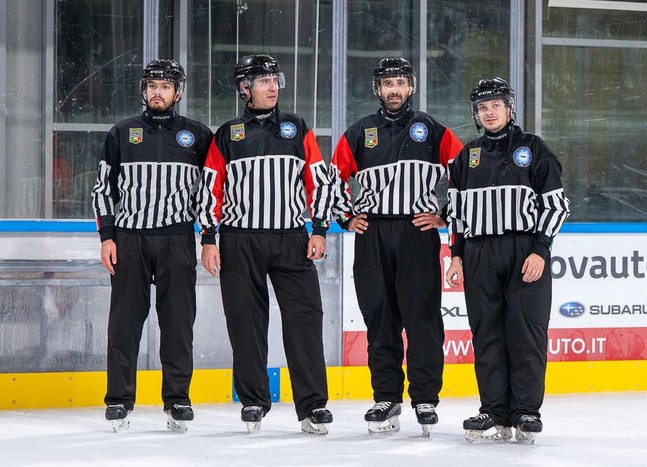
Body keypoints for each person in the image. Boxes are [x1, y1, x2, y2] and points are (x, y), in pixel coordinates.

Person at [198, 54, 334, 435]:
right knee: (245, 320)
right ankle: (254, 402)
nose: (272, 86)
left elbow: (320, 180)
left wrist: (320, 229)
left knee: (305, 319)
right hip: (239, 240)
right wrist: (209, 239)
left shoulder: (296, 127)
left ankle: (312, 406)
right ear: (245, 88)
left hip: (292, 238)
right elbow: (210, 187)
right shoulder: (227, 133)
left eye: (275, 79)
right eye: (262, 81)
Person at [329, 57, 464, 436]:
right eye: (387, 83)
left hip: (416, 233)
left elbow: (466, 173)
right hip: (371, 235)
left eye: (401, 83)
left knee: (422, 320)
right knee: (380, 320)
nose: (394, 90)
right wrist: (344, 218)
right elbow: (331, 178)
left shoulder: (433, 129)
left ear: (411, 87)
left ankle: (425, 397)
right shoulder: (359, 132)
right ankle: (386, 396)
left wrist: (443, 215)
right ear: (377, 89)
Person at [445, 77, 570, 444]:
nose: (490, 112)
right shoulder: (467, 156)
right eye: (483, 108)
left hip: (524, 253)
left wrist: (540, 248)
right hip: (479, 254)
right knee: (487, 334)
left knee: (526, 331)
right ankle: (494, 410)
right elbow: (456, 212)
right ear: (477, 114)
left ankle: (526, 411)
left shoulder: (533, 148)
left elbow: (556, 204)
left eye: (496, 105)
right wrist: (455, 255)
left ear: (509, 107)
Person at [92, 59, 214, 433]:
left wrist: (208, 237)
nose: (157, 92)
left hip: (177, 239)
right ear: (143, 90)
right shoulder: (122, 132)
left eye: (165, 85)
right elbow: (102, 190)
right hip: (129, 239)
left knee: (178, 322)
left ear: (178, 92)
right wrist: (107, 237)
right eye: (152, 85)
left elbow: (209, 192)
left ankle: (177, 398)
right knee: (124, 323)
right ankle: (118, 400)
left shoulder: (198, 135)